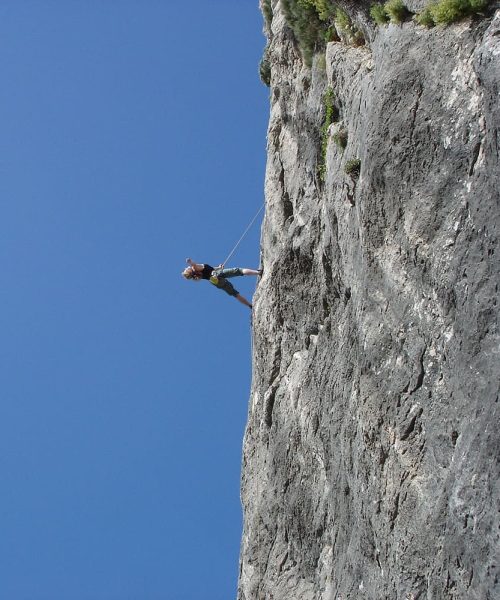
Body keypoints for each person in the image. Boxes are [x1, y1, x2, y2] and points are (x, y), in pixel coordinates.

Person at [182, 258, 261, 309]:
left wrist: (219, 267)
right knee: (239, 271)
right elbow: (194, 265)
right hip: (216, 274)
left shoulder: (197, 275)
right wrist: (190, 261)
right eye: (186, 269)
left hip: (216, 282)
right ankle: (258, 272)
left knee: (235, 294)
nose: (187, 267)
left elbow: (211, 269)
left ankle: (249, 305)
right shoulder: (195, 268)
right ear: (189, 270)